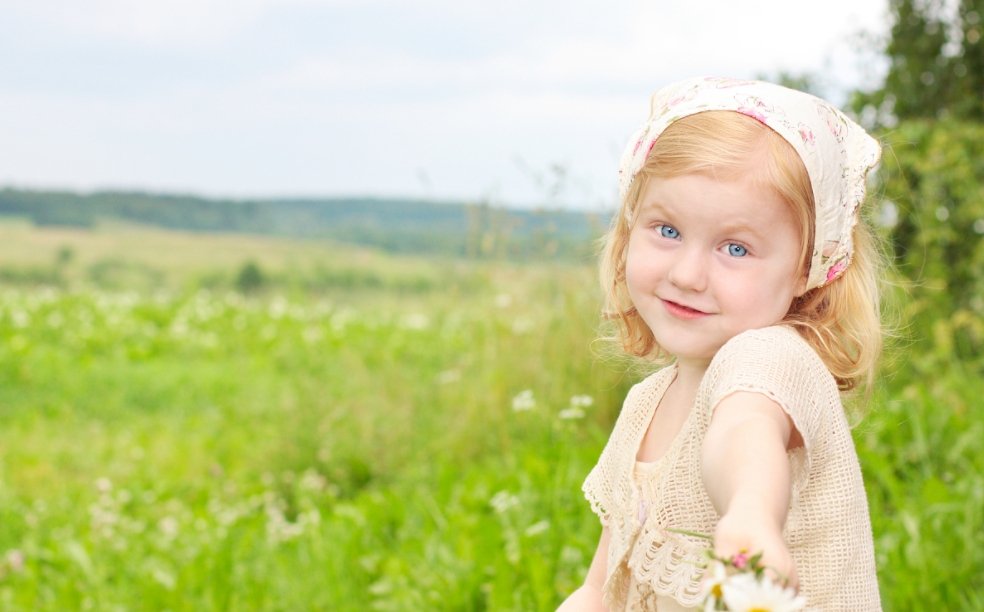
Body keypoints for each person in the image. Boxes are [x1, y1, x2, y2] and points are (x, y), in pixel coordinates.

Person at [558, 77, 885, 611]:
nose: (688, 274)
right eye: (667, 231)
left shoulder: (769, 357)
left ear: (809, 270)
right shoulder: (644, 404)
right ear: (628, 229)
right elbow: (604, 582)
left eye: (735, 248)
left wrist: (752, 515)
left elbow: (743, 433)